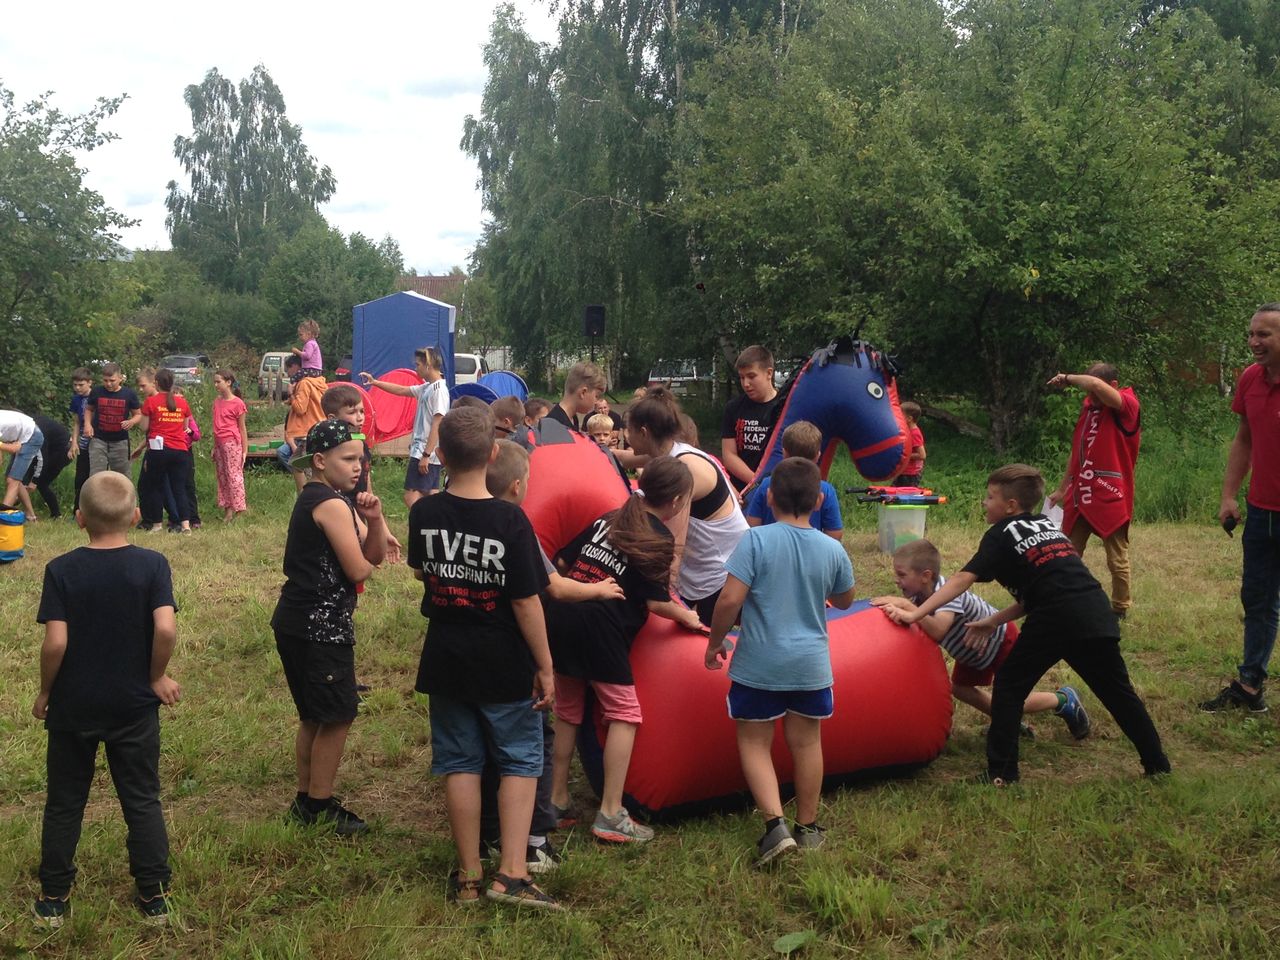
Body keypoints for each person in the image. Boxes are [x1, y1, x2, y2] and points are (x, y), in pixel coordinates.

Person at [885, 464, 1170, 786]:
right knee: (1118, 693)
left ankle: (1002, 773)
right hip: (1094, 610)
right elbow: (1042, 587)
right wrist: (994, 620)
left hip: (1056, 618)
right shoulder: (1046, 527)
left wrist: (914, 614)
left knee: (1009, 686)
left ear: (1010, 506)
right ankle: (1157, 763)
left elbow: (963, 578)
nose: (984, 502)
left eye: (990, 496)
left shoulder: (1000, 533)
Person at [406, 407, 560, 909]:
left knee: (459, 762)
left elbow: (422, 572)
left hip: (446, 658)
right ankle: (511, 874)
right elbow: (525, 600)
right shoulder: (510, 518)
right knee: (518, 759)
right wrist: (545, 665)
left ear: (443, 456)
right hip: (503, 661)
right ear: (495, 452)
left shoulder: (423, 512)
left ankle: (468, 876)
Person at [31, 471, 181, 929]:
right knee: (141, 798)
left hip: (74, 707)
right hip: (133, 706)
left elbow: (55, 644)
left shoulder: (60, 570)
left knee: (64, 801)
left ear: (79, 519)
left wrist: (45, 691)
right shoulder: (153, 565)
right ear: (136, 516)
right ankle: (154, 897)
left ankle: (54, 898)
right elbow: (166, 628)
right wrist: (156, 676)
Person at [481, 440, 625, 873]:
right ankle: (532, 841)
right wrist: (600, 589)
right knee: (529, 748)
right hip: (515, 656)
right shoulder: (515, 526)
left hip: (472, 656)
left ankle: (491, 835)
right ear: (518, 486)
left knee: (484, 749)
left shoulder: (456, 514)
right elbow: (553, 588)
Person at [543, 457, 704, 845]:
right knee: (625, 713)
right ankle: (611, 813)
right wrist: (686, 616)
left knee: (568, 710)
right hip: (600, 628)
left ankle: (555, 800)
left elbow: (563, 561)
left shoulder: (610, 517)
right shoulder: (658, 537)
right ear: (679, 501)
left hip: (562, 618)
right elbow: (654, 603)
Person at [704, 458, 856, 864]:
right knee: (807, 743)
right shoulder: (832, 548)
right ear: (820, 499)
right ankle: (808, 827)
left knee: (755, 742)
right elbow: (844, 599)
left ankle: (776, 827)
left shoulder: (755, 541)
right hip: (811, 666)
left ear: (769, 498)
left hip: (759, 664)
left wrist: (715, 642)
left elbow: (731, 598)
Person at [274, 419, 388, 835]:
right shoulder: (330, 504)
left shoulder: (328, 497)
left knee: (313, 717)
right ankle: (319, 807)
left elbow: (372, 553)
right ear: (320, 461)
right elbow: (360, 566)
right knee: (337, 717)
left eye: (360, 458)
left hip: (298, 622)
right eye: (348, 459)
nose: (358, 467)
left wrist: (374, 520)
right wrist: (366, 546)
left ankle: (306, 800)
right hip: (319, 627)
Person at [872, 539, 1090, 739]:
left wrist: (909, 610)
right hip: (972, 652)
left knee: (1012, 699)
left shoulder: (946, 594)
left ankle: (1063, 699)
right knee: (961, 689)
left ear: (926, 576)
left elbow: (938, 630)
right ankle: (1006, 721)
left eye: (901, 575)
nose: (896, 580)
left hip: (999, 641)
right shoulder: (918, 597)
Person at [1203, 304, 1280, 713]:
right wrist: (1229, 496)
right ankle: (1250, 687)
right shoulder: (1251, 378)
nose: (1253, 342)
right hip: (1262, 512)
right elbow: (1245, 439)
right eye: (1251, 334)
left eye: (1264, 335)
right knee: (1258, 600)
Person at [626, 387, 749, 625]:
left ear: (643, 432)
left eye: (628, 430)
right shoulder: (668, 454)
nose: (625, 435)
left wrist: (666, 592)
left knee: (707, 634)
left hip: (721, 573)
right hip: (714, 567)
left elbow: (674, 540)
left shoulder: (685, 469)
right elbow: (627, 457)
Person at [1046, 364, 1141, 618]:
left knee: (1116, 558)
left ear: (1113, 386)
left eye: (1095, 391)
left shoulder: (1128, 405)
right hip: (1081, 493)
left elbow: (1096, 386)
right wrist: (1062, 488)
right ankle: (1066, 601)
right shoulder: (1088, 410)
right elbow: (1077, 451)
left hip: (1110, 494)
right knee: (1068, 553)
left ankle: (1120, 607)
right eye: (1089, 393)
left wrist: (1066, 377)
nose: (1092, 397)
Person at [361, 346, 449, 509]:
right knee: (430, 493)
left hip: (424, 451)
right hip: (425, 451)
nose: (416, 369)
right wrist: (375, 382)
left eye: (418, 365)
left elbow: (438, 423)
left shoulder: (439, 391)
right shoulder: (427, 387)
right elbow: (401, 390)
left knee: (411, 496)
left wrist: (426, 455)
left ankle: (423, 525)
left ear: (428, 365)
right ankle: (436, 526)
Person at [323, 384, 402, 562]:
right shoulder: (326, 452)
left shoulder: (363, 447)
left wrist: (383, 532)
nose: (359, 418)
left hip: (359, 517)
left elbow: (368, 492)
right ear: (332, 418)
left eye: (362, 411)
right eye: (352, 412)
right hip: (336, 519)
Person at [744, 421, 843, 540]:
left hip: (770, 554)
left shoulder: (767, 484)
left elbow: (752, 524)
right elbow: (835, 534)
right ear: (817, 456)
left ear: (784, 453)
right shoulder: (825, 490)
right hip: (810, 555)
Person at [137, 369, 194, 534]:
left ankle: (157, 524)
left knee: (155, 487)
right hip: (180, 450)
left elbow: (145, 427)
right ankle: (185, 525)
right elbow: (185, 427)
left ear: (156, 383)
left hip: (158, 449)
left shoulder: (151, 402)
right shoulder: (182, 402)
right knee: (179, 488)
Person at [721, 345, 781, 493]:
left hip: (778, 491)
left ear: (769, 373)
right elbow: (729, 455)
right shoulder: (733, 408)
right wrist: (757, 483)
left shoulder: (785, 407)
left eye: (751, 376)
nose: (746, 384)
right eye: (742, 377)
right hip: (742, 491)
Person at [277, 355, 328, 493]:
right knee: (297, 463)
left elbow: (300, 409)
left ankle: (313, 495)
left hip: (306, 431)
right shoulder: (318, 382)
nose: (288, 373)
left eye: (288, 369)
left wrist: (291, 394)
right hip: (317, 426)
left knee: (306, 466)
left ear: (295, 367)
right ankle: (305, 494)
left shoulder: (304, 383)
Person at [85, 362, 142, 477]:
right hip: (98, 439)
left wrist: (131, 422)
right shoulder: (97, 391)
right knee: (96, 474)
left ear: (120, 379)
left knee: (122, 475)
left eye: (112, 380)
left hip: (120, 441)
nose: (108, 384)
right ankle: (98, 495)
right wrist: (87, 424)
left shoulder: (129, 394)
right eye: (105, 380)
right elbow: (89, 409)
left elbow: (138, 415)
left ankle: (125, 495)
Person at [212, 369, 249, 522]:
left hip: (232, 443)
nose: (216, 385)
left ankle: (239, 510)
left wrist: (244, 450)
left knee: (234, 477)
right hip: (220, 443)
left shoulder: (238, 403)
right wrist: (214, 447)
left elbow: (242, 428)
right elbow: (215, 426)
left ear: (228, 383)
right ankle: (228, 511)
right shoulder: (216, 402)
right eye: (215, 382)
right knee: (223, 477)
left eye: (218, 381)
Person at [23, 415, 73, 519]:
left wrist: (34, 481)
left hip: (63, 452)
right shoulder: (31, 424)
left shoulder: (36, 432)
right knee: (24, 478)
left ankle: (56, 514)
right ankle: (17, 504)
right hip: (53, 449)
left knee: (42, 483)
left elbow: (42, 459)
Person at [2, 409, 45, 515]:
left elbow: (14, 449)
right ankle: (31, 516)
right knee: (13, 479)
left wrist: (12, 447)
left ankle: (2, 518)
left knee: (13, 480)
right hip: (20, 435)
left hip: (32, 437)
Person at [545, 362, 605, 432]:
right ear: (583, 392)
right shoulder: (555, 426)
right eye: (596, 396)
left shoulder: (572, 418)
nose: (596, 402)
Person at [68, 368, 93, 511]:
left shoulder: (96, 396)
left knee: (94, 475)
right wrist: (74, 442)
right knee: (80, 477)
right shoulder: (76, 399)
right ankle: (77, 510)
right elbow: (77, 422)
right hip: (83, 441)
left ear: (90, 383)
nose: (77, 388)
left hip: (97, 440)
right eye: (75, 385)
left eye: (81, 384)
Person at [893, 401, 927, 487]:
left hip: (911, 473)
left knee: (905, 496)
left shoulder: (915, 433)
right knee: (894, 494)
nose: (897, 418)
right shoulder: (908, 430)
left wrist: (904, 455)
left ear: (909, 419)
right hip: (904, 470)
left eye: (900, 415)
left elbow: (922, 455)